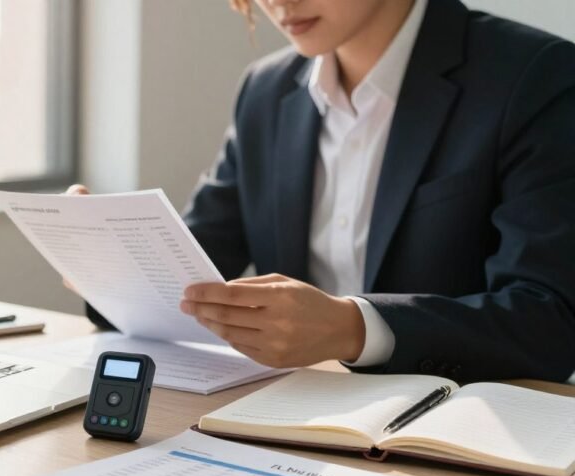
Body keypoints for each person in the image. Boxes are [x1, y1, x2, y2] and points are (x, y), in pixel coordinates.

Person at [70, 0, 575, 383]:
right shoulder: (265, 91)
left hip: (452, 436)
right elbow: (194, 271)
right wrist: (104, 266)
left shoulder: (536, 77)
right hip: (293, 421)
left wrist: (352, 327)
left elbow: (549, 322)